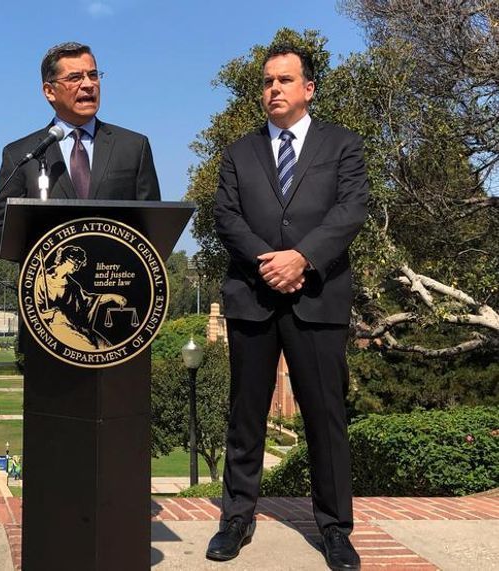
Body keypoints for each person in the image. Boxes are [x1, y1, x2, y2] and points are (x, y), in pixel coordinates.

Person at [209, 44, 368, 571]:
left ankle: (335, 529)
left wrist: (302, 258)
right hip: (252, 298)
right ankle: (236, 518)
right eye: (267, 81)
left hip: (317, 297)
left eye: (284, 80)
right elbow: (227, 217)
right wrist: (267, 262)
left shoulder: (343, 146)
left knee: (325, 416)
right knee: (246, 414)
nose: (273, 89)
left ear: (309, 88)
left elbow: (350, 211)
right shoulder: (238, 153)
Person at [0, 41, 161, 255]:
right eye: (75, 78)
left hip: (117, 280)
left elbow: (154, 226)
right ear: (49, 91)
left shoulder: (134, 147)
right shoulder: (21, 154)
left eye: (93, 75)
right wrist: (48, 241)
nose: (88, 84)